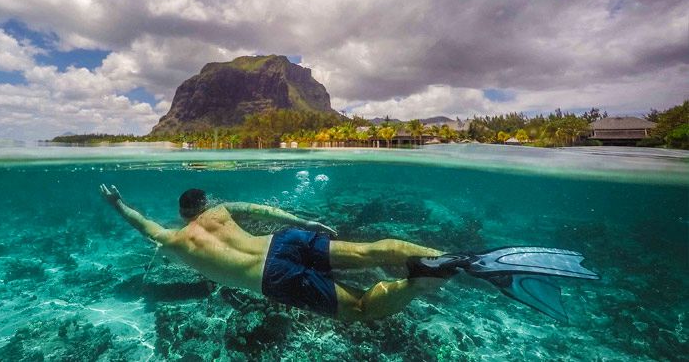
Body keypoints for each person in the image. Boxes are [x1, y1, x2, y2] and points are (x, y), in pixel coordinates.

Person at [99, 185, 599, 322]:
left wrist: (118, 201)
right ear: (203, 206)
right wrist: (307, 222)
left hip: (270, 279)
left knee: (359, 310)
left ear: (181, 215)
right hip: (282, 243)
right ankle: (458, 258)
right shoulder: (223, 209)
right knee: (369, 250)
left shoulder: (173, 240)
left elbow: (141, 223)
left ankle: (424, 279)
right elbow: (266, 210)